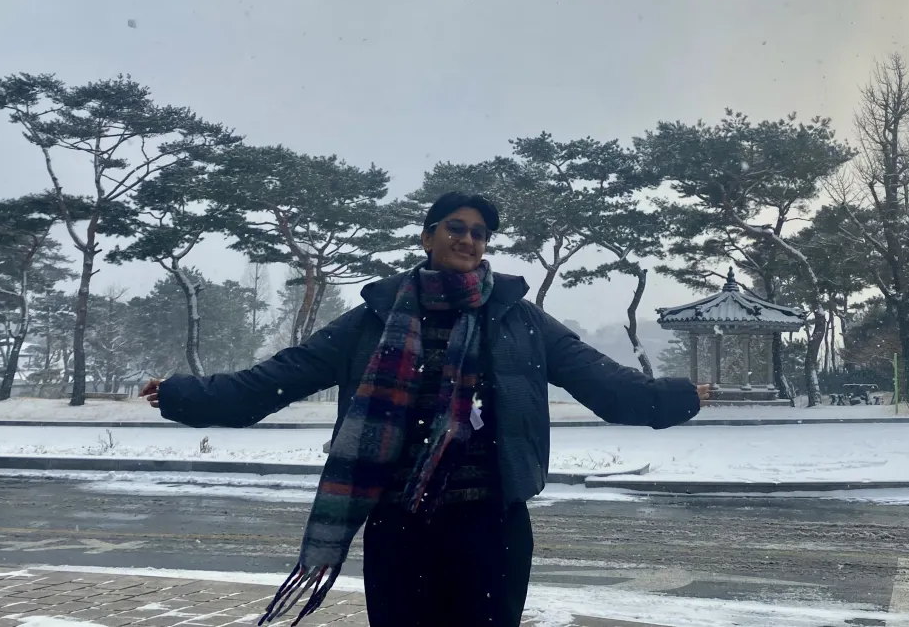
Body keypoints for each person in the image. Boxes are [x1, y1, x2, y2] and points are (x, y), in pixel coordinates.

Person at [141, 190, 709, 627]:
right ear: (427, 236)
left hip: (492, 525)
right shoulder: (372, 320)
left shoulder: (518, 319)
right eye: (456, 228)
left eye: (480, 233)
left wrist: (677, 396)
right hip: (399, 523)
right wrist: (181, 393)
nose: (469, 239)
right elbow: (273, 380)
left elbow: (603, 382)